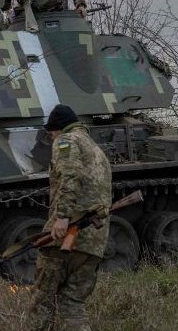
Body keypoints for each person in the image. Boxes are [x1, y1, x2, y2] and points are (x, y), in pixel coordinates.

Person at [27, 104, 112, 331]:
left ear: (58, 128)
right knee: (72, 304)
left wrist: (62, 217)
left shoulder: (66, 141)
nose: (51, 136)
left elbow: (70, 175)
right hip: (94, 242)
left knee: (41, 303)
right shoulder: (95, 149)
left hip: (65, 238)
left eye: (51, 131)